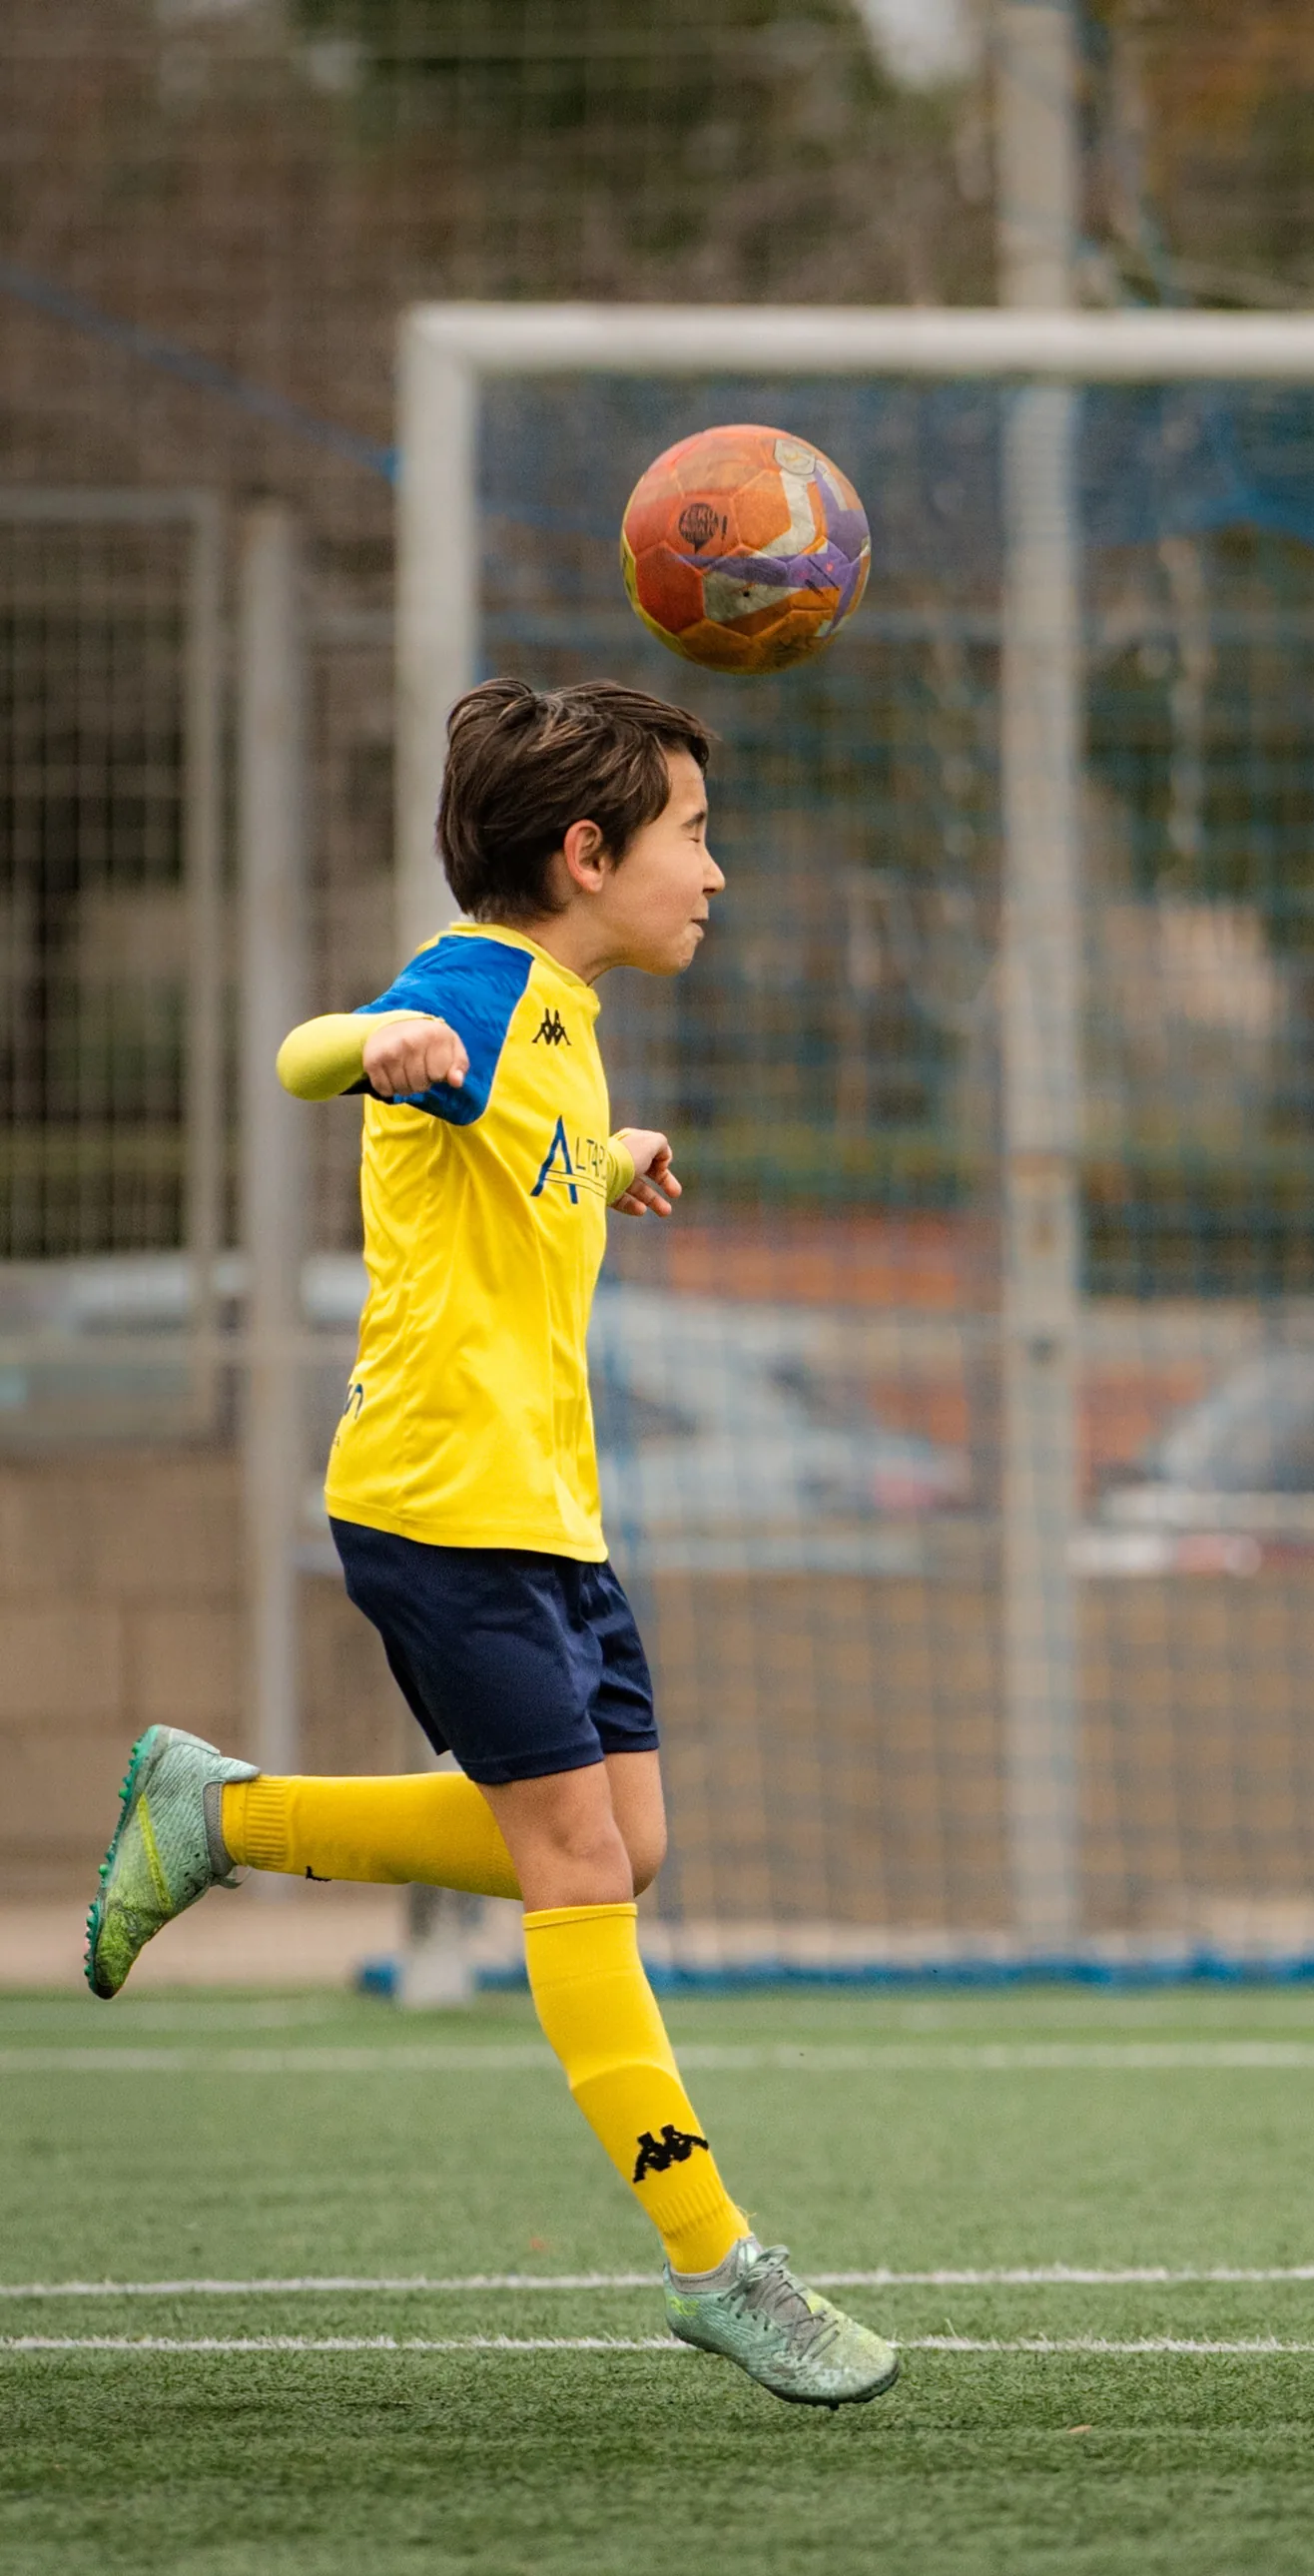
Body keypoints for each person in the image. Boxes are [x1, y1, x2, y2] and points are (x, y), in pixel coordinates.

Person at [84, 678, 898, 2412]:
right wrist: (369, 1043)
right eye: (695, 835)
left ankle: (213, 1815)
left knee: (623, 1842)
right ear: (588, 852)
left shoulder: (564, 1012)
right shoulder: (466, 981)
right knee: (579, 1871)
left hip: (548, 1514)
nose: (718, 873)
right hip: (446, 1509)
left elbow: (500, 1159)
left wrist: (603, 1155)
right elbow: (328, 1051)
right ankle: (718, 2264)